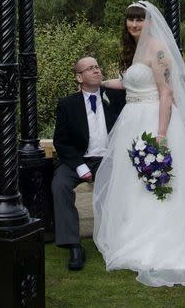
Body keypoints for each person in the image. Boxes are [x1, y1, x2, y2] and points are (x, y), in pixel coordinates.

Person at [93, 1, 185, 287]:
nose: (133, 25)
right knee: (132, 180)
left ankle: (158, 238)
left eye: (139, 20)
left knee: (156, 181)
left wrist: (161, 133)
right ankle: (132, 233)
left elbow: (166, 93)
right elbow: (131, 83)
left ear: (149, 22)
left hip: (153, 120)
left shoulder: (156, 48)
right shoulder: (137, 50)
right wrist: (99, 84)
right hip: (132, 120)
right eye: (130, 20)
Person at [51, 56, 126, 270]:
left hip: (108, 159)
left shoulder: (115, 96)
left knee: (118, 184)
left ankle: (115, 238)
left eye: (97, 66)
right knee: (60, 185)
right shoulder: (67, 104)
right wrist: (79, 166)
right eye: (90, 68)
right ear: (79, 77)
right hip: (78, 159)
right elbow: (61, 142)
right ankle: (73, 245)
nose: (96, 70)